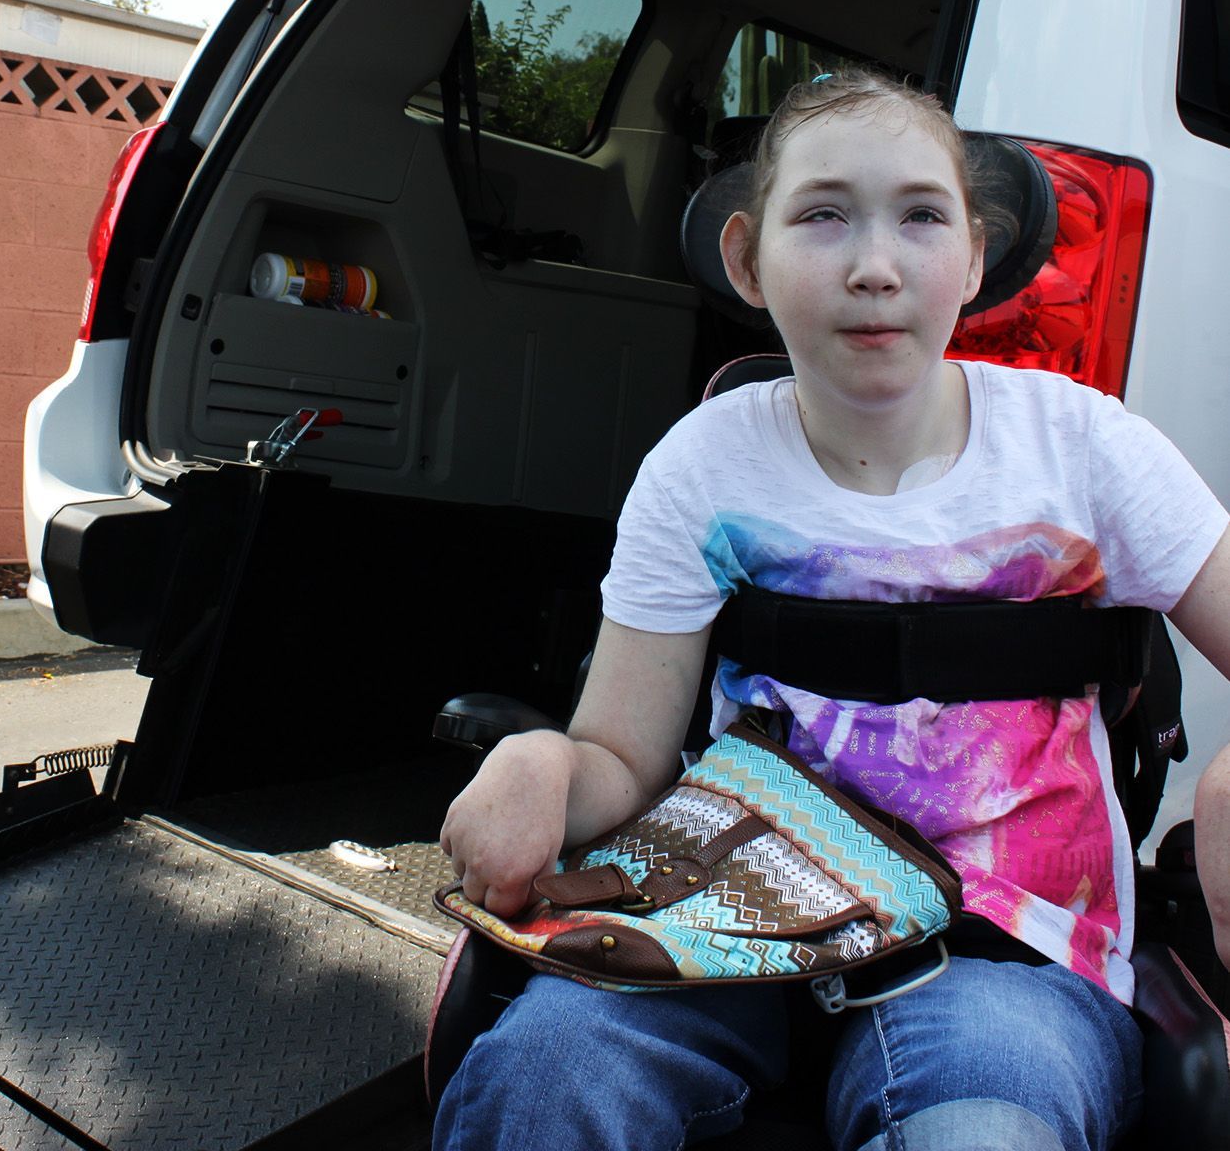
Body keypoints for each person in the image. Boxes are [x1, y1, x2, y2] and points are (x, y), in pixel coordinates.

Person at [436, 71, 1230, 1151]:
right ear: (743, 260)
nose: (873, 266)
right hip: (720, 921)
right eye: (820, 217)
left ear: (974, 258)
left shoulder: (1081, 448)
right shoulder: (703, 464)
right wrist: (541, 767)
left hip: (998, 947)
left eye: (919, 217)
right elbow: (619, 756)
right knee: (538, 1080)